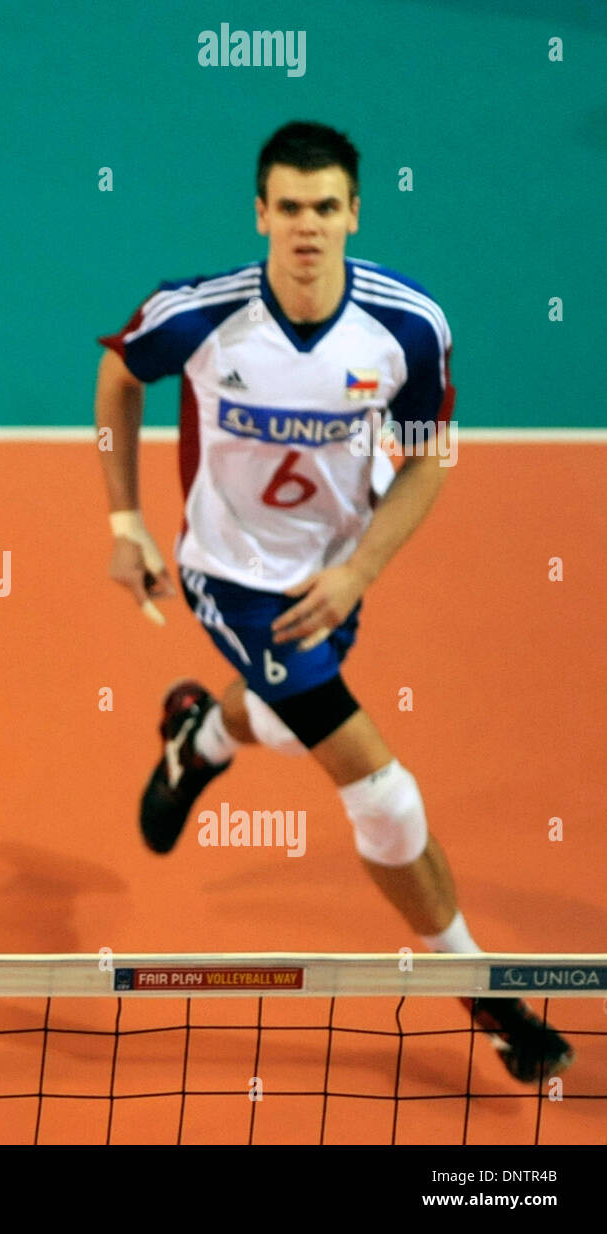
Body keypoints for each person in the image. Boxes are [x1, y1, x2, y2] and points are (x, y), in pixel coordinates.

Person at [94, 121, 571, 1084]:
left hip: (331, 579)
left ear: (354, 211)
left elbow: (430, 454)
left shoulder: (405, 328)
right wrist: (125, 522)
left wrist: (360, 572)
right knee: (384, 794)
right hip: (229, 578)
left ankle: (202, 736)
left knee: (278, 714)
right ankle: (480, 987)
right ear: (260, 214)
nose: (306, 228)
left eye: (325, 208)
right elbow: (118, 374)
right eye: (288, 209)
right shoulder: (197, 316)